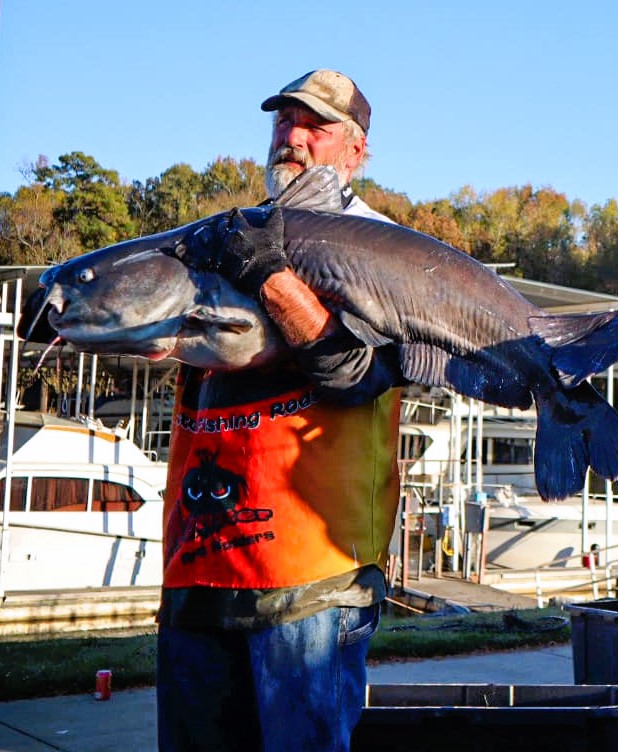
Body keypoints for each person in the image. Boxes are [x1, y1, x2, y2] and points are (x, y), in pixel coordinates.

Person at [155, 69, 403, 751]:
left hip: (309, 582)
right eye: (282, 121)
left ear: (355, 152)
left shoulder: (382, 250)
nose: (291, 137)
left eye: (314, 125)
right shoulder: (229, 238)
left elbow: (358, 374)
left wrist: (272, 277)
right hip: (198, 566)